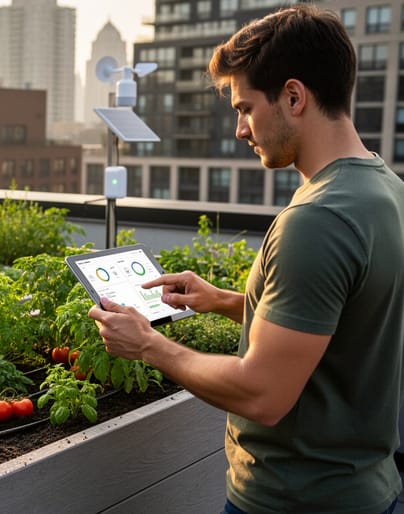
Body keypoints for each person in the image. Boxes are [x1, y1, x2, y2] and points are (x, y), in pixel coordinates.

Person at [87, 5, 404, 513]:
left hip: (294, 500)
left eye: (245, 108)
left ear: (294, 97)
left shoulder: (317, 220)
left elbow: (262, 395)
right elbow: (344, 322)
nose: (240, 129)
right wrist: (225, 302)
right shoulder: (386, 190)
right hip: (368, 489)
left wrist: (150, 346)